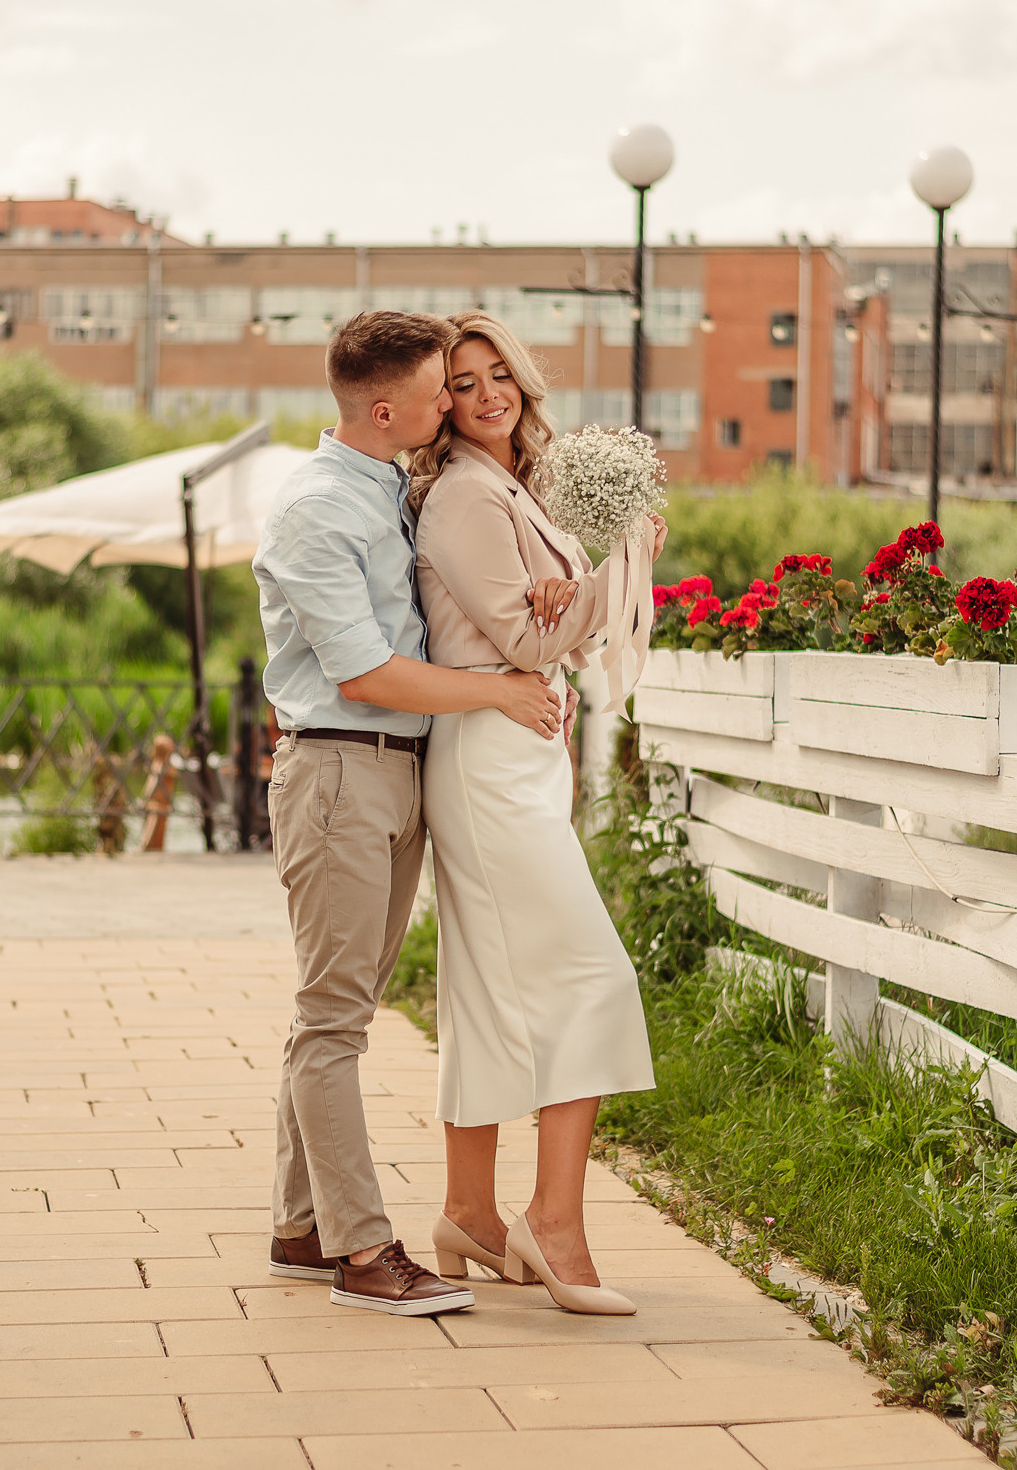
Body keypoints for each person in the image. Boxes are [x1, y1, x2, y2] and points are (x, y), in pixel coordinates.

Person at [253, 309, 569, 1317]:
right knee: (332, 1019)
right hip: (343, 771)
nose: (455, 403)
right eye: (440, 391)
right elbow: (366, 672)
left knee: (341, 1007)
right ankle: (360, 1251)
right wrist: (501, 690)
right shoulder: (314, 509)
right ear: (387, 409)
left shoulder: (390, 486)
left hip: (390, 776)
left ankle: (302, 1228)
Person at [408, 310, 663, 1315]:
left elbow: (540, 618)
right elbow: (522, 632)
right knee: (594, 977)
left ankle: (470, 1212)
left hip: (510, 757)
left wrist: (585, 585)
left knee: (483, 989)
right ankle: (552, 1225)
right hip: (488, 761)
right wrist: (624, 567)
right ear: (440, 405)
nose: (486, 394)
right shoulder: (468, 498)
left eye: (495, 372)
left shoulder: (508, 486)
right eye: (461, 384)